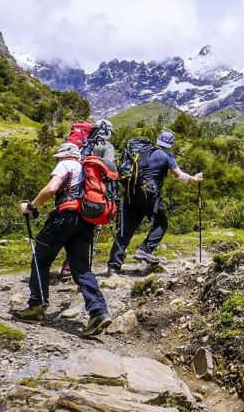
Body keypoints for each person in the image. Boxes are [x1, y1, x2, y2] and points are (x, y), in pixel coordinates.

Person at [13, 142, 112, 336]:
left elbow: (52, 188)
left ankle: (36, 307)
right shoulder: (88, 171)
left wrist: (31, 206)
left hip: (65, 217)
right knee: (81, 268)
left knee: (40, 259)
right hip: (86, 222)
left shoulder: (66, 164)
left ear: (63, 155)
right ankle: (98, 312)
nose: (57, 160)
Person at [107, 130, 202, 273]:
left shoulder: (144, 151)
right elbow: (178, 175)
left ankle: (113, 266)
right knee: (161, 223)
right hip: (149, 194)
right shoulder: (166, 155)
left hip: (130, 193)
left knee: (125, 230)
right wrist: (195, 179)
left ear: (158, 140)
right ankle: (145, 249)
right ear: (171, 144)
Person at [60, 118, 115, 281]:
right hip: (93, 194)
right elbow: (109, 169)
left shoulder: (82, 145)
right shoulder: (107, 147)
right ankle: (78, 267)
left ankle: (67, 264)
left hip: (71, 193)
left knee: (70, 229)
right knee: (86, 230)